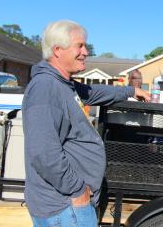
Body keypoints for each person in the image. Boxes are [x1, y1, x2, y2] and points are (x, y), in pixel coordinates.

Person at [22, 20, 149, 227]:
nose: (86, 52)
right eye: (79, 46)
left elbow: (94, 92)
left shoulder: (64, 84)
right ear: (57, 50)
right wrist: (77, 190)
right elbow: (44, 154)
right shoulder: (46, 88)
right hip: (65, 208)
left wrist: (131, 91)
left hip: (70, 205)